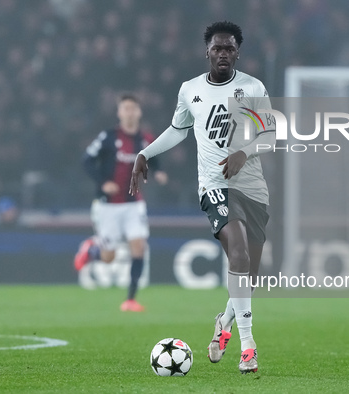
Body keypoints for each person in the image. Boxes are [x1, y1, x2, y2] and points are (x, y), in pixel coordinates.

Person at [130, 21, 275, 373]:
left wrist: (244, 153)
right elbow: (178, 130)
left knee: (249, 275)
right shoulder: (190, 90)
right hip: (214, 186)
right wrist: (145, 154)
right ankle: (248, 347)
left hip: (252, 189)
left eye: (229, 48)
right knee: (237, 254)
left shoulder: (253, 87)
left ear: (237, 52)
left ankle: (223, 324)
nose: (223, 53)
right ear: (207, 51)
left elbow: (269, 136)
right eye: (217, 48)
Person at [74, 93, 167, 312]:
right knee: (109, 257)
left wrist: (160, 172)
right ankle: (91, 250)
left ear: (139, 112)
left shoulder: (146, 140)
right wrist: (103, 182)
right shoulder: (108, 137)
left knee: (138, 246)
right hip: (107, 205)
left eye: (133, 108)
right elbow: (86, 161)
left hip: (134, 203)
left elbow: (155, 159)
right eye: (125, 108)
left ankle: (131, 299)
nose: (129, 112)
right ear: (119, 113)